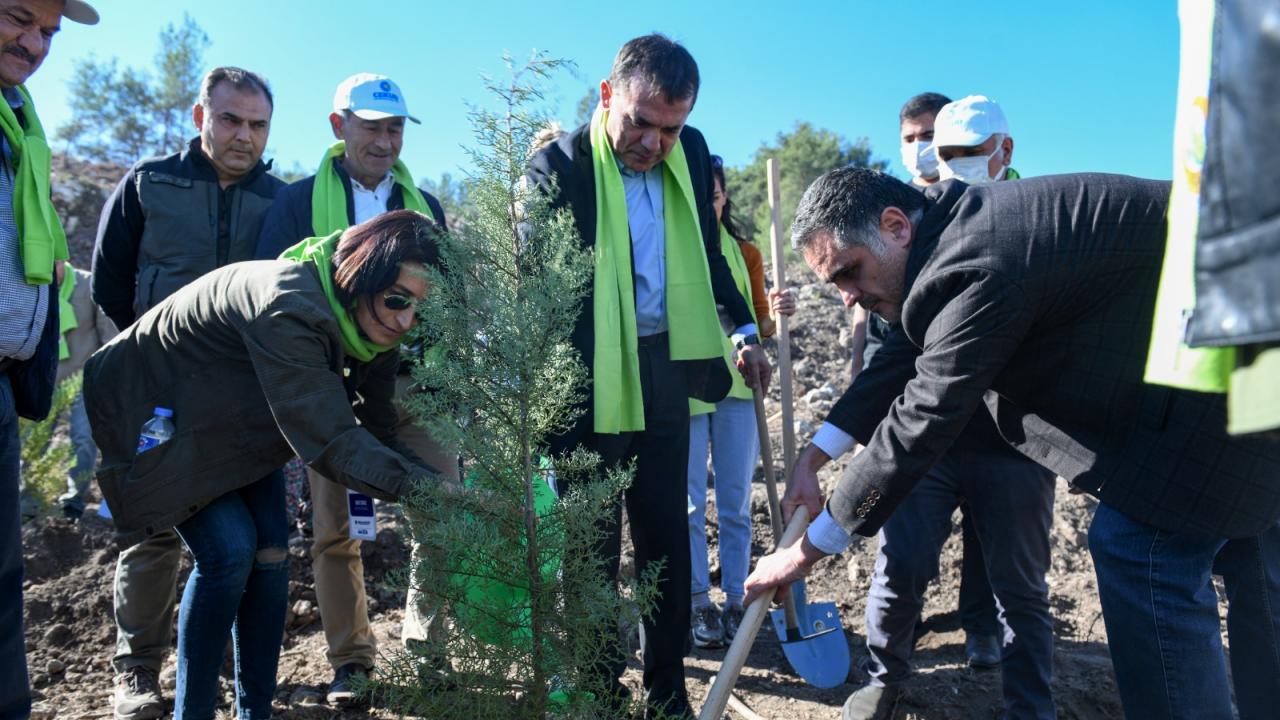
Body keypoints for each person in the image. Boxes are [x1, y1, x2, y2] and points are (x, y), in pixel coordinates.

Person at [743, 167, 1280, 720]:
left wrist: (805, 552)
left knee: (1142, 550)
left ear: (895, 225)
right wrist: (814, 456)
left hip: (1233, 362)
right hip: (1248, 344)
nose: (850, 298)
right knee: (1254, 552)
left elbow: (923, 416)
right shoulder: (953, 236)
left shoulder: (974, 261)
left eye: (849, 272)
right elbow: (905, 355)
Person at [84, 209, 445, 720]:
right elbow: (335, 444)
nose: (405, 320)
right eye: (397, 299)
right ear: (362, 276)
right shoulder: (288, 303)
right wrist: (446, 499)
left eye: (419, 312)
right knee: (229, 552)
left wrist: (444, 491)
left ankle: (254, 713)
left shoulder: (370, 328)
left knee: (271, 555)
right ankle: (194, 711)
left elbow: (380, 430)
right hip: (149, 405)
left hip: (232, 422)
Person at [772, 94, 1057, 719]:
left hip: (1013, 441)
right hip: (927, 451)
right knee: (900, 569)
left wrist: (811, 544)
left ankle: (1030, 706)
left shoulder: (1005, 234)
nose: (935, 154)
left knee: (1020, 590)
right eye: (924, 141)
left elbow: (932, 391)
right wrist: (814, 457)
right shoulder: (899, 245)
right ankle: (883, 680)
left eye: (950, 144)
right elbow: (889, 369)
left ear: (1003, 152)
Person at [526, 34, 770, 719]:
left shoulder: (691, 154)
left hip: (666, 366)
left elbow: (711, 254)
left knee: (666, 538)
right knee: (592, 552)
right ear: (607, 96)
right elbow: (536, 285)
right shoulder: (558, 166)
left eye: (670, 128)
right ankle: (600, 695)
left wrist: (743, 329)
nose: (653, 143)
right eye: (639, 121)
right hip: (588, 378)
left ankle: (668, 696)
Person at [90, 65, 283, 720]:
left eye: (258, 124)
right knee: (154, 531)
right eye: (230, 119)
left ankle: (218, 674)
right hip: (156, 397)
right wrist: (150, 361)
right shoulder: (150, 183)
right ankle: (136, 669)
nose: (243, 135)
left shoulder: (280, 202)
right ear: (201, 117)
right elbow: (110, 283)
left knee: (239, 548)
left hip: (243, 406)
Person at [255, 72, 450, 707]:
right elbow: (269, 293)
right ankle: (352, 661)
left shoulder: (427, 210)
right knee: (335, 530)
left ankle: (429, 651)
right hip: (328, 389)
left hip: (415, 387)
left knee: (442, 507)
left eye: (395, 128)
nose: (386, 140)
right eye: (372, 127)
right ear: (339, 127)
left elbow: (447, 302)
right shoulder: (295, 202)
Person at [0, 1, 97, 717]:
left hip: (5, 379)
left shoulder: (18, 120)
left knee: (5, 579)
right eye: (15, 17)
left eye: (48, 32)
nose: (33, 43)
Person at [686, 156, 772, 649]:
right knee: (691, 503)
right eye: (702, 197)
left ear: (724, 198)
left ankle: (737, 598)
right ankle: (700, 601)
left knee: (736, 501)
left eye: (716, 196)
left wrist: (773, 315)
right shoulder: (674, 247)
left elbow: (759, 322)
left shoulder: (745, 253)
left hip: (741, 389)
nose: (710, 205)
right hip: (691, 387)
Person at [52, 260, 116, 518]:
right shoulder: (33, 287)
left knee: (83, 437)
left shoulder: (89, 284)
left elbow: (109, 337)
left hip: (82, 378)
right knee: (29, 441)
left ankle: (73, 499)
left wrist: (103, 379)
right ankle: (28, 501)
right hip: (45, 379)